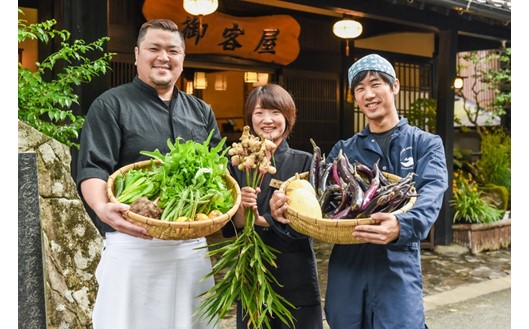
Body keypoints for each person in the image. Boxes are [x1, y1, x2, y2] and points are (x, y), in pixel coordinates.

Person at [269, 53, 449, 329]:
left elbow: (431, 196)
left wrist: (401, 226)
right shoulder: (345, 150)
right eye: (360, 88)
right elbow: (319, 209)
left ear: (395, 87)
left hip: (396, 266)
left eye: (376, 84)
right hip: (347, 269)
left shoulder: (425, 143)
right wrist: (286, 215)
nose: (369, 94)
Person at [76, 19, 222, 329]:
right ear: (137, 53)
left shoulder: (201, 111)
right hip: (133, 245)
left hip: (189, 248)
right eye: (154, 48)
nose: (163, 57)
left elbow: (220, 173)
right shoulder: (111, 105)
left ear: (182, 58)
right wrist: (102, 208)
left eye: (173, 50)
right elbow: (92, 167)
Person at [222, 84, 324, 329]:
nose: (267, 120)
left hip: (294, 273)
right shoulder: (235, 162)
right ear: (250, 118)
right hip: (252, 277)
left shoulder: (305, 161)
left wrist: (264, 220)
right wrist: (243, 210)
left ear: (288, 117)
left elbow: (312, 222)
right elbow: (231, 224)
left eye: (275, 112)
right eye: (259, 113)